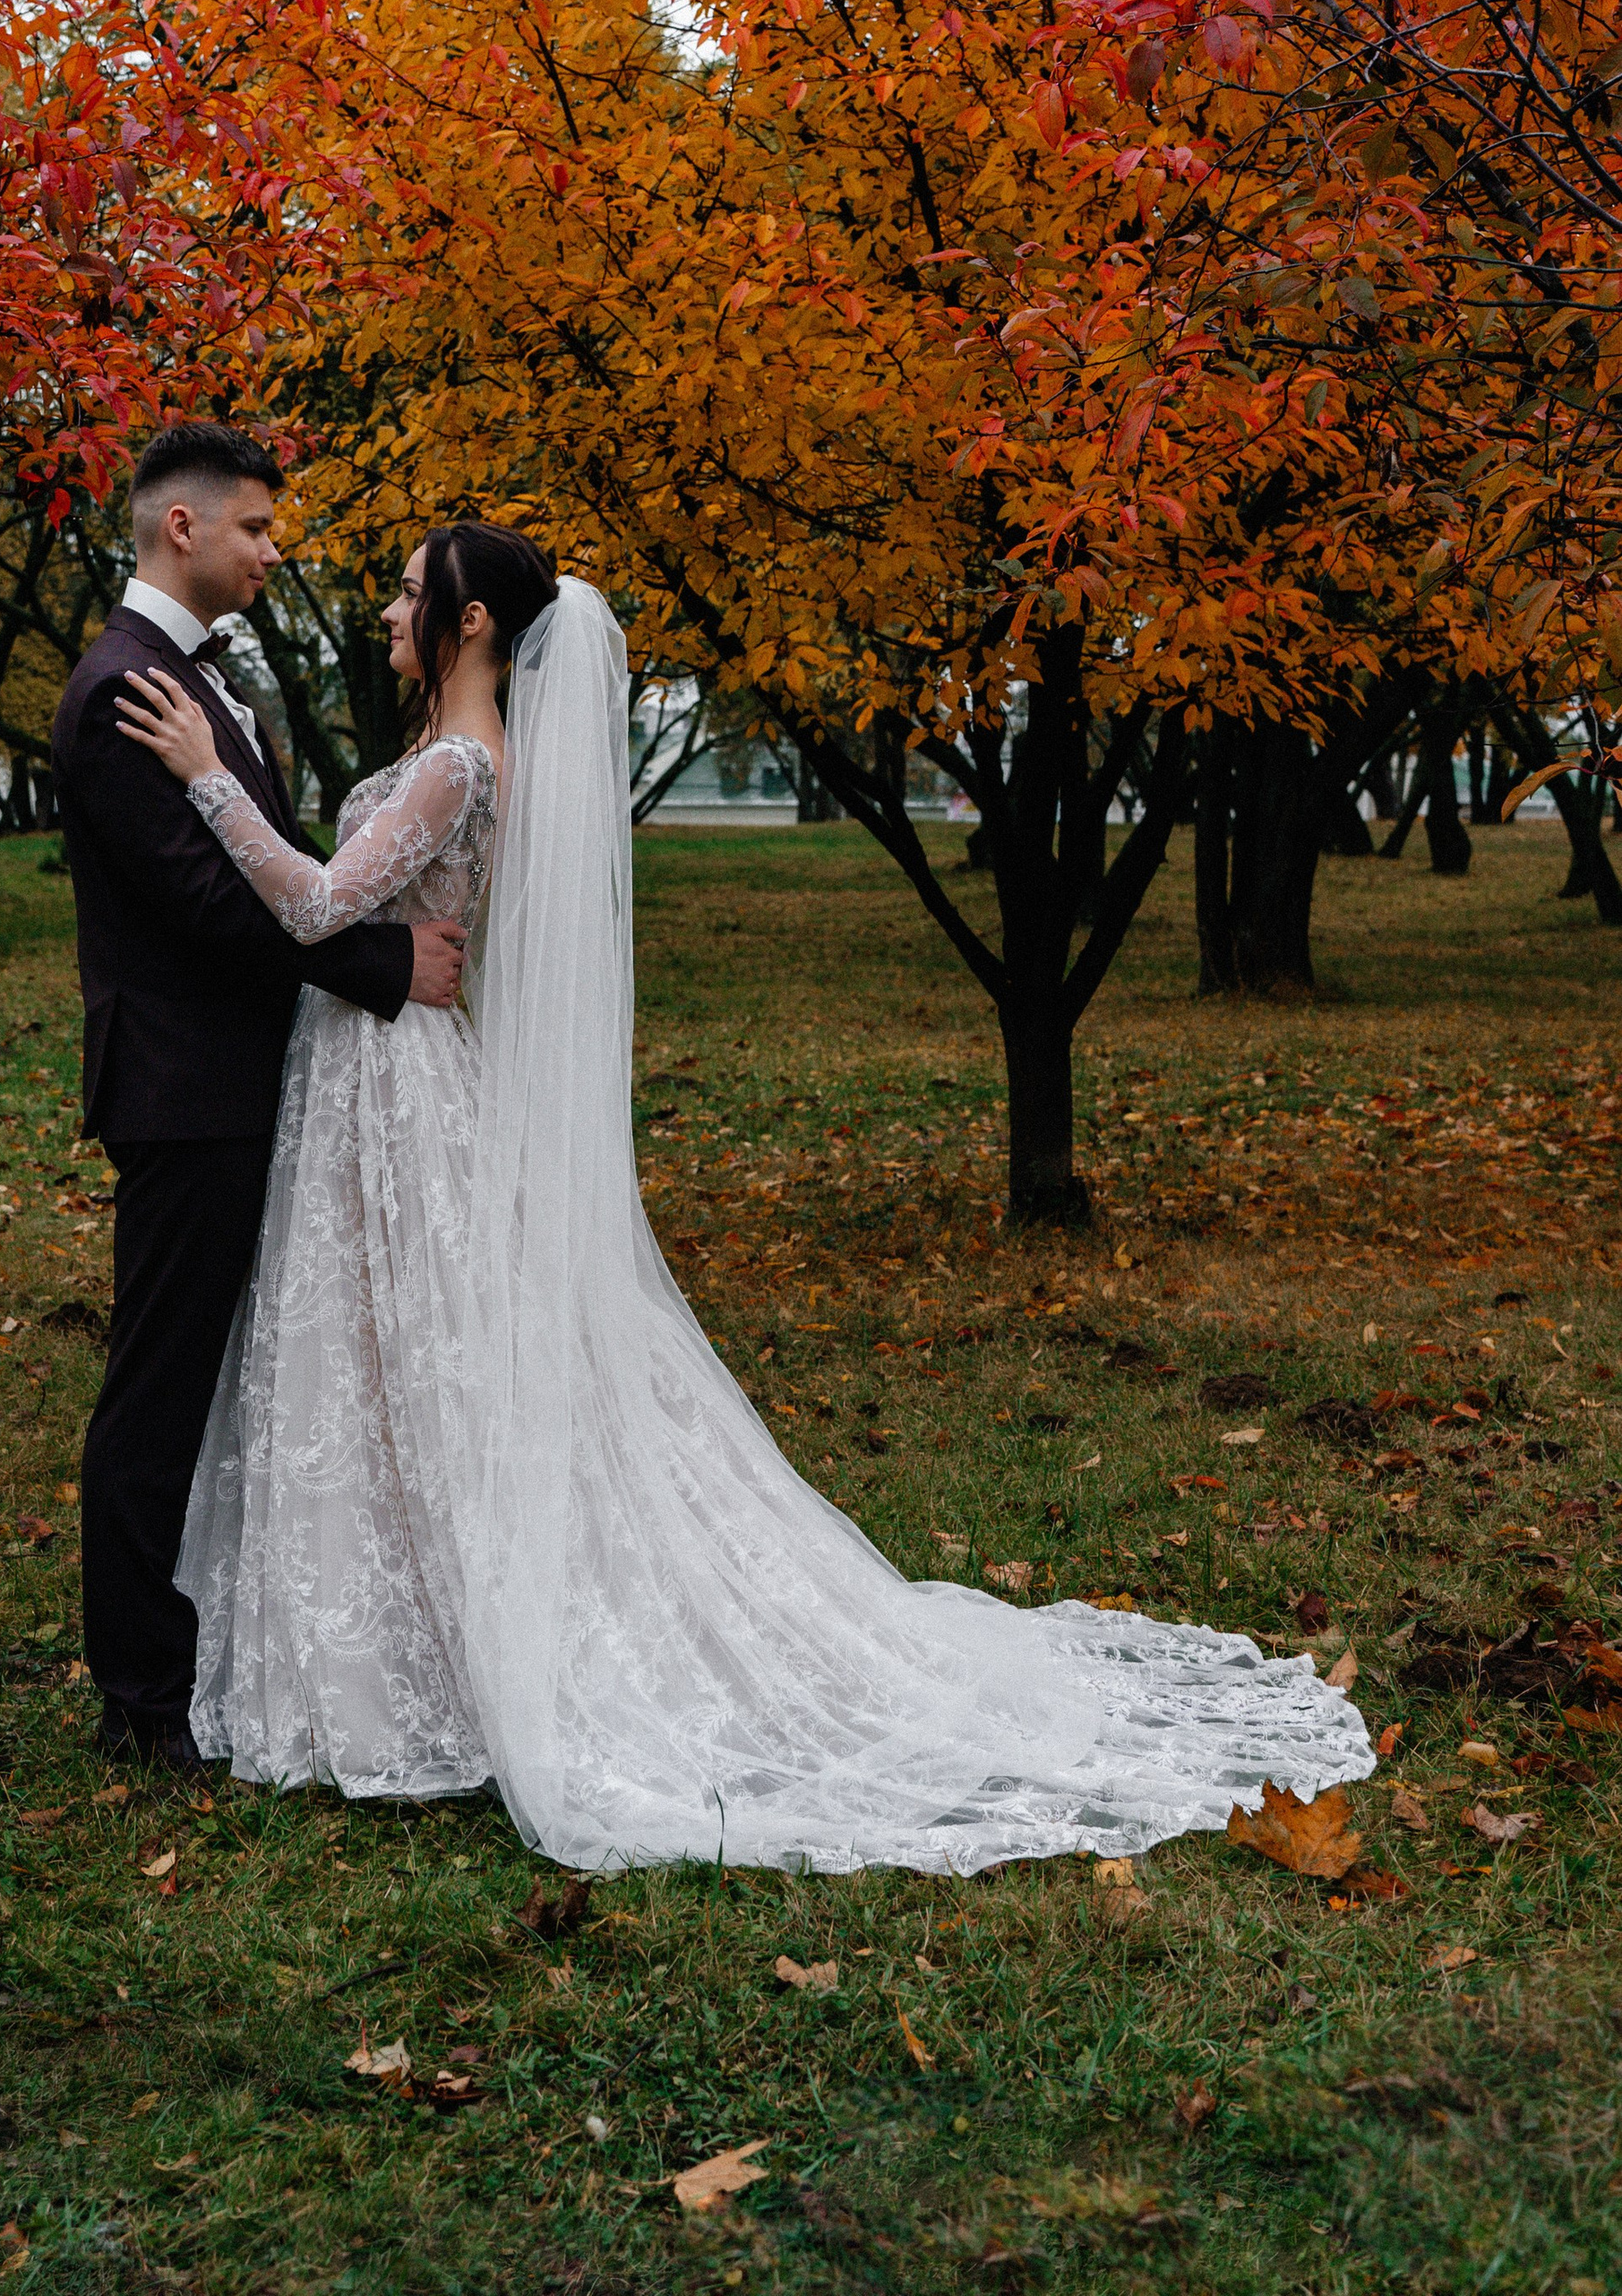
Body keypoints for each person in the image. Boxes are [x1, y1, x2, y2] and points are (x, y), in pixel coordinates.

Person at [116, 529, 1377, 1876]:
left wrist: (203, 779)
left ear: (470, 622)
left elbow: (312, 905)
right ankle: (386, 1643)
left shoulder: (458, 764)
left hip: (395, 1085)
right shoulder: (459, 756)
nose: (387, 610)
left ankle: (431, 1657)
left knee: (426, 1356)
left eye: (410, 594)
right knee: (391, 1361)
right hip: (378, 1073)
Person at [50, 424, 469, 1768]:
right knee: (160, 1388)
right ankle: (138, 1693)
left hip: (236, 1078)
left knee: (216, 1380)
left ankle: (204, 1646)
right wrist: (385, 962)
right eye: (256, 531)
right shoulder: (125, 688)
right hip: (185, 1090)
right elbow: (208, 908)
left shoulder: (189, 681)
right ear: (184, 528)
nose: (274, 553)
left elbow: (257, 865)